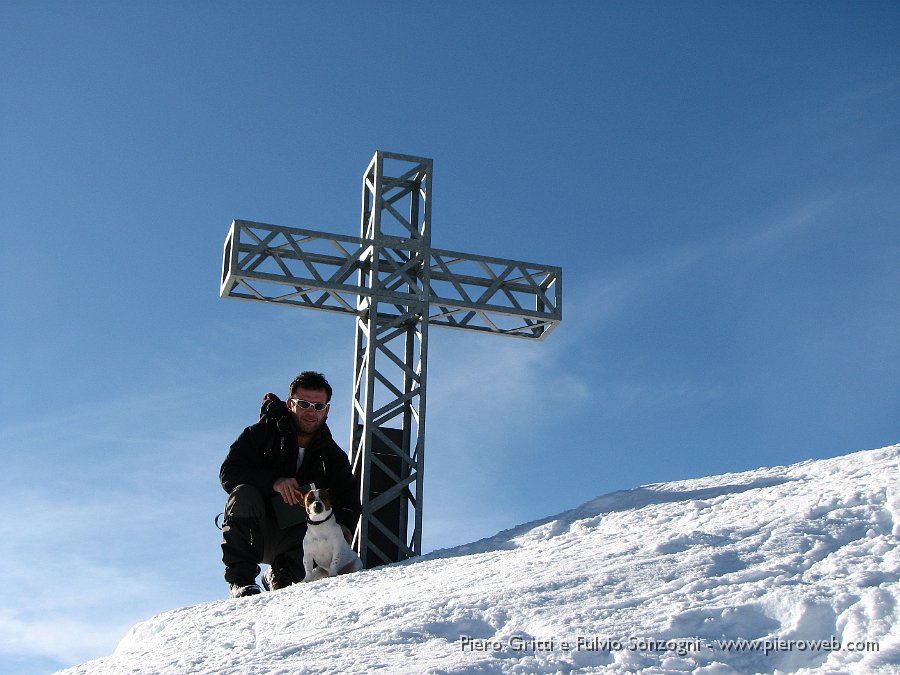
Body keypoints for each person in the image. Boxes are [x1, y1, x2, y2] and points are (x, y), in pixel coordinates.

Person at [219, 371, 361, 598]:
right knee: (242, 494)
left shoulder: (331, 455)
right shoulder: (259, 436)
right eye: (304, 404)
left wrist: (344, 524)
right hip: (257, 529)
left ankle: (282, 575)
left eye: (318, 406)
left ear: (327, 410)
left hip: (295, 539)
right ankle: (242, 582)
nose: (311, 412)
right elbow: (229, 474)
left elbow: (349, 495)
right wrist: (273, 483)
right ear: (290, 404)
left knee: (319, 515)